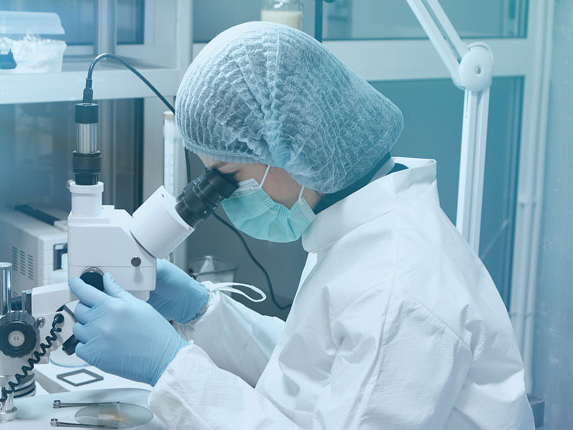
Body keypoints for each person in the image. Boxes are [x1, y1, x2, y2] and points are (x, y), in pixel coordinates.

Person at [68, 22, 534, 429]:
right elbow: (309, 373)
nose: (223, 200)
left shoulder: (398, 289)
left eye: (226, 179)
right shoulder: (358, 234)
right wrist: (203, 314)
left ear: (290, 143)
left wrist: (169, 367)